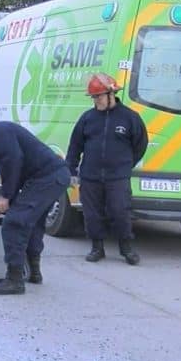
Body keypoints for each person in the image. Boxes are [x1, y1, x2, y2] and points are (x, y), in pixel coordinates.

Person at [0, 111, 70, 295]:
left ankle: (14, 279)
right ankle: (34, 272)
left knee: (14, 223)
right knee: (32, 222)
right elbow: (12, 170)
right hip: (51, 178)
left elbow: (13, 163)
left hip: (47, 178)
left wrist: (5, 196)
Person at [66, 73, 148, 265]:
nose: (96, 101)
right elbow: (75, 146)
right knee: (92, 214)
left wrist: (126, 164)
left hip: (117, 177)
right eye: (94, 97)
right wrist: (70, 170)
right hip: (90, 176)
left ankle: (126, 248)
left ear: (111, 94)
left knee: (120, 212)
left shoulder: (130, 118)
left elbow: (140, 144)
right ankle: (97, 248)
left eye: (99, 96)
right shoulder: (87, 119)